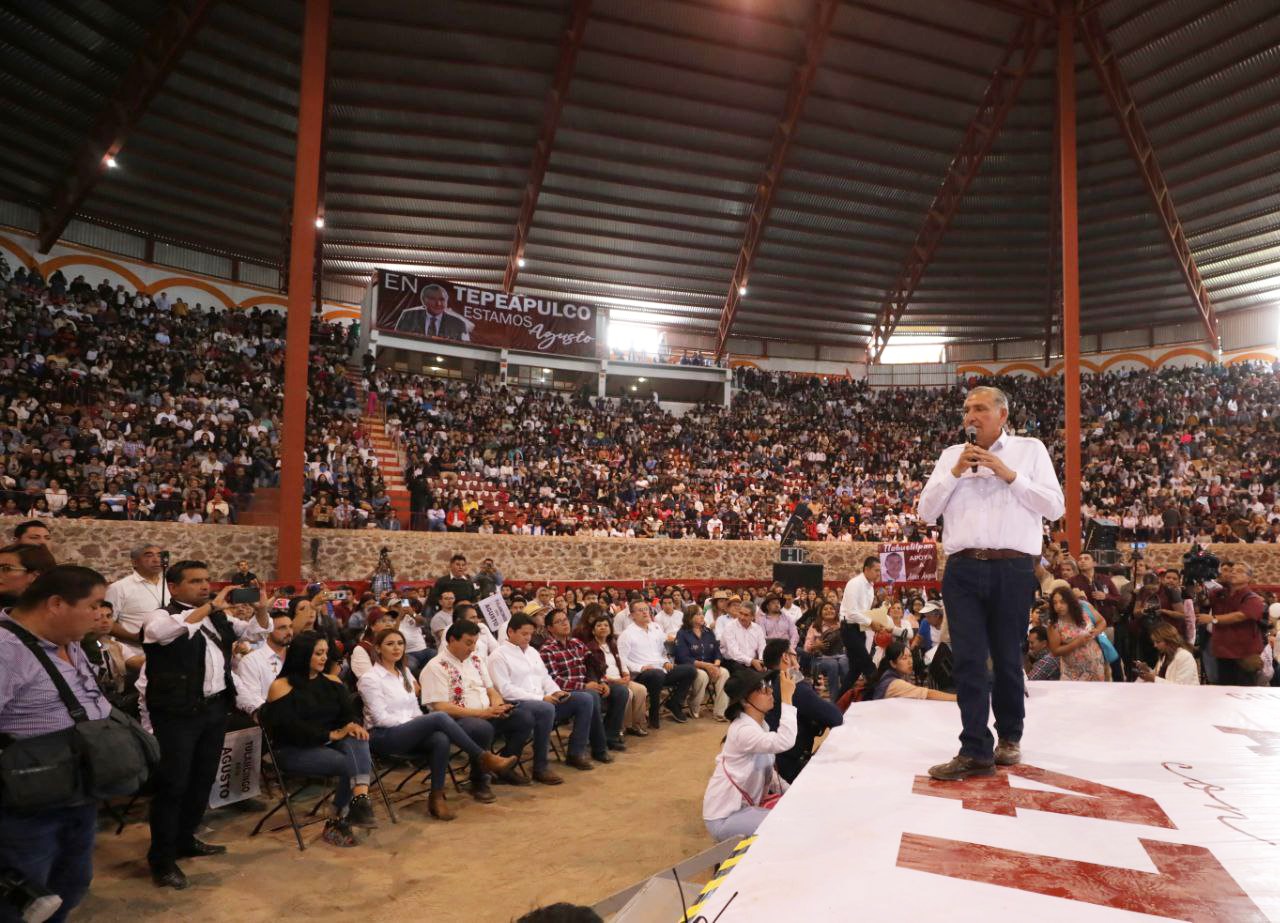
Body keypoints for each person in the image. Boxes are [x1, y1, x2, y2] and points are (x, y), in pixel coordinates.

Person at [917, 385, 1064, 781]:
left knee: (1006, 658)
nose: (971, 416)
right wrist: (955, 472)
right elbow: (926, 513)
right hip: (962, 569)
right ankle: (974, 749)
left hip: (1012, 568)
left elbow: (1055, 507)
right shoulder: (951, 457)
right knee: (966, 658)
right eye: (967, 410)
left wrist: (1008, 475)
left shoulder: (1030, 450)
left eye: (980, 408)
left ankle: (1010, 736)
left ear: (1002, 415)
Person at [142, 560, 271, 889]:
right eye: (195, 581)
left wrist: (261, 609)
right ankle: (162, 859)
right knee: (173, 785)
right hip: (177, 714)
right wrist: (211, 606)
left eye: (207, 580)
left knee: (202, 779)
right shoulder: (161, 616)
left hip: (214, 710)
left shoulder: (217, 616)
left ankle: (186, 838)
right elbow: (165, 633)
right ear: (173, 586)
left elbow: (256, 633)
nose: (204, 585)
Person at [0, 566, 111, 922]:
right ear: (57, 604)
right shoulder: (6, 651)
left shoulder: (68, 641)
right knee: (24, 898)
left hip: (77, 789)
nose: (100, 615)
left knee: (71, 884)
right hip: (28, 803)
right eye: (94, 605)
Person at [358, 628, 516, 821]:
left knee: (439, 739)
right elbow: (381, 718)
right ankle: (484, 757)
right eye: (390, 644)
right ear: (378, 648)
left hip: (408, 730)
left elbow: (415, 709)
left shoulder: (405, 672)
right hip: (383, 735)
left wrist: (417, 722)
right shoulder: (370, 678)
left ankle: (437, 797)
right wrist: (417, 723)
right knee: (438, 717)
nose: (396, 648)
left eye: (400, 643)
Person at [261, 632, 375, 848]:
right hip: (293, 749)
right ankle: (339, 817)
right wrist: (330, 735)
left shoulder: (332, 681)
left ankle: (358, 801)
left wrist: (353, 725)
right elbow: (288, 730)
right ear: (302, 655)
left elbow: (348, 714)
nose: (325, 658)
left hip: (331, 743)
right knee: (350, 763)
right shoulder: (281, 686)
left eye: (326, 653)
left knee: (358, 739)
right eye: (318, 653)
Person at [421, 620, 538, 800]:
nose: (473, 648)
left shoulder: (476, 660)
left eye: (475, 642)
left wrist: (498, 705)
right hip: (456, 721)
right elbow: (440, 707)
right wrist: (482, 714)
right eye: (468, 643)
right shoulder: (435, 666)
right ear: (452, 640)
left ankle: (504, 767)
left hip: (486, 713)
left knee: (524, 718)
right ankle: (479, 780)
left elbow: (491, 690)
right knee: (481, 728)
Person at [488, 612, 602, 780]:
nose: (528, 638)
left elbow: (545, 677)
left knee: (584, 699)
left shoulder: (532, 652)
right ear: (511, 632)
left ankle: (576, 753)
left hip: (544, 700)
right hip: (518, 704)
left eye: (530, 634)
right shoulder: (498, 656)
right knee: (546, 708)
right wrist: (541, 698)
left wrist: (556, 691)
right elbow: (505, 690)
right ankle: (540, 766)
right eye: (524, 633)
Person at [702, 667, 796, 841]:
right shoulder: (742, 730)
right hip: (724, 818)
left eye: (768, 686)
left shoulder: (761, 726)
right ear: (745, 701)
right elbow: (785, 741)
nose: (770, 691)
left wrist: (792, 792)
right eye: (762, 689)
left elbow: (768, 770)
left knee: (794, 813)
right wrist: (788, 698)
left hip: (744, 809)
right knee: (785, 824)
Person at [540, 609, 628, 752]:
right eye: (559, 621)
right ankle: (599, 747)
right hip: (568, 691)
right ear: (550, 628)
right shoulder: (547, 650)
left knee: (621, 691)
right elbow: (554, 680)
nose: (565, 623)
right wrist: (585, 685)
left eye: (565, 620)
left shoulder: (577, 643)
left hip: (588, 685)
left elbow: (593, 665)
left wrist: (601, 682)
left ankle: (610, 737)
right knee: (591, 696)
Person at [761, 639, 842, 783]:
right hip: (789, 766)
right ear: (786, 657)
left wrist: (808, 688)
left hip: (771, 761)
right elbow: (835, 717)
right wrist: (810, 691)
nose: (798, 661)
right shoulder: (793, 686)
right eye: (795, 655)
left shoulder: (767, 681)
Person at [617, 600, 696, 729]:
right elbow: (622, 659)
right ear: (632, 615)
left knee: (690, 670)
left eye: (646, 609)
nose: (645, 612)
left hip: (660, 669)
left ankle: (674, 703)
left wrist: (665, 662)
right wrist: (640, 667)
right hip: (642, 674)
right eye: (640, 610)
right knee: (656, 674)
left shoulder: (655, 627)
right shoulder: (627, 634)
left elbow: (663, 651)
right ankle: (654, 713)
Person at [574, 605, 649, 740]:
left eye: (606, 625)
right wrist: (614, 681)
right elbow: (596, 673)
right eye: (599, 626)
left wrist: (625, 674)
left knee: (641, 689)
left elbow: (622, 661)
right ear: (593, 630)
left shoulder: (613, 644)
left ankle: (635, 724)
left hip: (620, 678)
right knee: (628, 693)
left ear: (610, 629)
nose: (603, 628)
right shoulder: (590, 648)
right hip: (608, 681)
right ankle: (621, 727)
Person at [1197, 560, 1265, 686]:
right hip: (1223, 651)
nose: (1233, 573)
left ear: (1248, 578)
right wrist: (1199, 591)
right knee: (1224, 689)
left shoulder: (1253, 598)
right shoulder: (1219, 593)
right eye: (1232, 571)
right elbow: (1205, 602)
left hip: (1245, 654)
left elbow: (1240, 616)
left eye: (1239, 571)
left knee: (1244, 692)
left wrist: (1213, 619)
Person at [103, 544, 167, 666]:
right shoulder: (119, 588)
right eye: (149, 555)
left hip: (170, 654)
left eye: (159, 555)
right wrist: (135, 637)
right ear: (135, 562)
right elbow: (107, 621)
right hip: (136, 656)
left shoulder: (170, 585)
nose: (156, 559)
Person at [232, 609, 292, 718]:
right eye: (282, 628)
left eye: (290, 627)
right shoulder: (251, 661)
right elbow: (252, 696)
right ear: (267, 632)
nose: (289, 632)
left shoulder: (296, 655)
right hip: (269, 719)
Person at [1044, 585, 1108, 682]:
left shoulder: (1085, 609)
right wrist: (1076, 643)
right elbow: (1055, 651)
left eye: (1062, 602)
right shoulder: (1054, 624)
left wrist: (1095, 632)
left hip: (1095, 665)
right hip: (1072, 671)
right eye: (1055, 603)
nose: (1058, 606)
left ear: (1070, 602)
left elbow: (1102, 622)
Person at [674, 606, 728, 720]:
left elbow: (717, 651)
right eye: (698, 614)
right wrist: (706, 666)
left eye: (702, 613)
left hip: (710, 665)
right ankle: (694, 706)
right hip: (692, 667)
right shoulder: (682, 633)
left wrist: (716, 665)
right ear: (689, 617)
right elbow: (683, 657)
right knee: (702, 676)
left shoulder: (708, 632)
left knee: (724, 673)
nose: (702, 616)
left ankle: (720, 711)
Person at [838, 556, 879, 692]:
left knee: (855, 671)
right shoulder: (855, 583)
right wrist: (871, 622)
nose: (878, 574)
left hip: (859, 628)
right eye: (876, 570)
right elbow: (851, 613)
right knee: (869, 666)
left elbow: (864, 612)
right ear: (866, 569)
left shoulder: (871, 587)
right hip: (849, 628)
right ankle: (879, 694)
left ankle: (838, 701)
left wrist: (874, 622)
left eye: (879, 571)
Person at [869, 640, 958, 701]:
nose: (910, 661)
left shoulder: (893, 675)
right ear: (893, 663)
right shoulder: (895, 684)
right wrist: (958, 698)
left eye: (910, 656)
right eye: (904, 658)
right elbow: (928, 694)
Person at [802, 600, 847, 702]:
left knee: (845, 663)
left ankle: (846, 697)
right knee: (833, 664)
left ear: (836, 611)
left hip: (841, 656)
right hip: (820, 658)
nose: (829, 611)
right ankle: (835, 700)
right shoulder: (815, 626)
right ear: (820, 613)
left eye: (831, 609)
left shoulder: (842, 625)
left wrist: (842, 630)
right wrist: (815, 645)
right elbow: (806, 647)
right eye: (825, 609)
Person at [394, 283, 469, 340]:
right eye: (433, 299)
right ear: (423, 300)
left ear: (447, 301)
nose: (438, 304)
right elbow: (396, 340)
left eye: (442, 299)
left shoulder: (458, 324)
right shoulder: (408, 316)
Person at [1134, 622, 1200, 685]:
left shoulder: (1185, 657)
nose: (1155, 645)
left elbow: (1181, 686)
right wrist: (1147, 670)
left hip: (1185, 695)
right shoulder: (1164, 656)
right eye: (1154, 642)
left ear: (1169, 640)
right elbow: (1159, 677)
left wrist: (1153, 679)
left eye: (1158, 642)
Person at [718, 598, 766, 678]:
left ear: (753, 617)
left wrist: (761, 661)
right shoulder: (730, 628)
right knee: (750, 676)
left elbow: (762, 647)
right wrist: (752, 661)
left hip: (753, 661)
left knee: (770, 671)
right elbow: (734, 653)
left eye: (746, 615)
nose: (742, 617)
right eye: (740, 613)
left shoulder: (757, 628)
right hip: (732, 661)